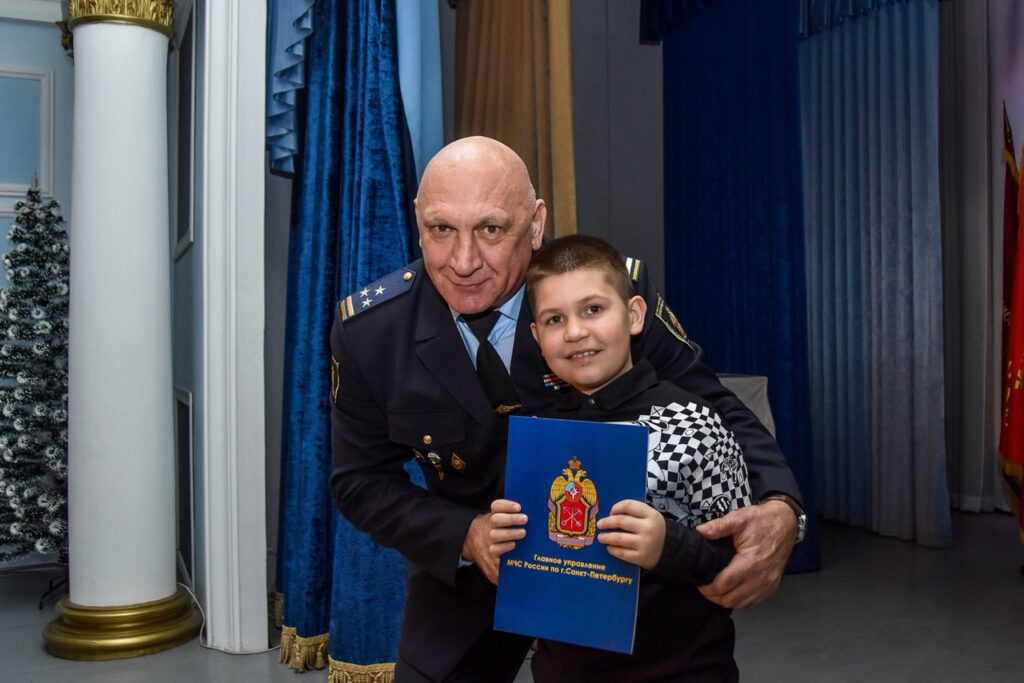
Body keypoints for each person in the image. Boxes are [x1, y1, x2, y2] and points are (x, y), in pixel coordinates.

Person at [329, 136, 803, 683]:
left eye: (491, 229)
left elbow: (714, 404)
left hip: (612, 560)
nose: (464, 261)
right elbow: (360, 481)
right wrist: (467, 535)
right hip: (471, 560)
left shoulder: (596, 297)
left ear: (535, 224)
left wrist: (782, 507)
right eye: (441, 229)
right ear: (417, 222)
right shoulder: (372, 332)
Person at [490, 235, 756, 682]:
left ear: (633, 315)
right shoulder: (539, 434)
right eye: (555, 319)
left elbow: (737, 563)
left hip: (681, 670)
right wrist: (506, 538)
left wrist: (667, 545)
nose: (575, 332)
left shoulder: (694, 424)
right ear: (537, 336)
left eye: (593, 309)